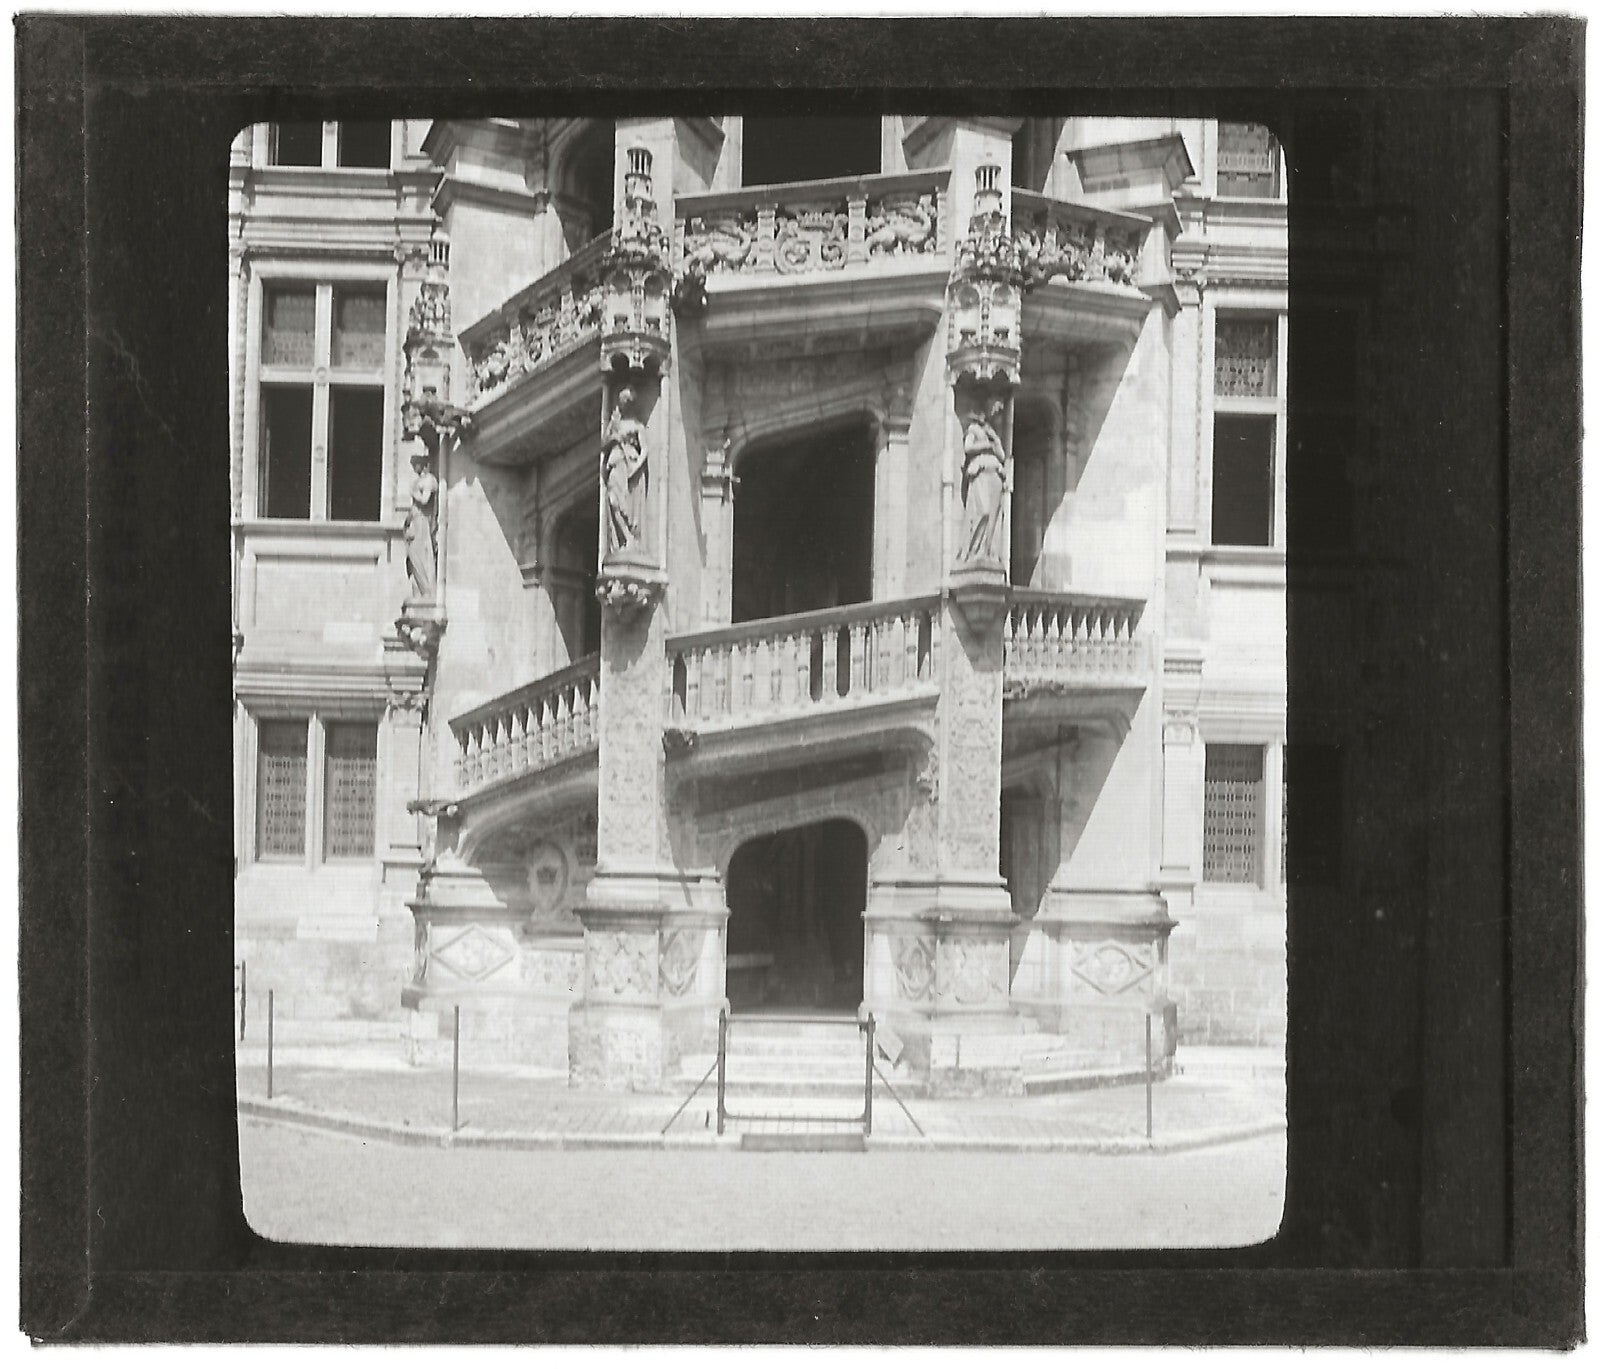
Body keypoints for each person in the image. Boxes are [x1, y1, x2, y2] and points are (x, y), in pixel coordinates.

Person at [602, 386, 649, 558]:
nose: (624, 404)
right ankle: (624, 537)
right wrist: (613, 437)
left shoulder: (637, 426)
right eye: (622, 401)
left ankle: (630, 539)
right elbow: (604, 443)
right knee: (613, 501)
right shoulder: (615, 423)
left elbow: (645, 449)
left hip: (629, 467)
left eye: (627, 401)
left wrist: (635, 468)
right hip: (616, 463)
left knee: (627, 507)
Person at [960, 397, 1008, 563]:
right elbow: (967, 447)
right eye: (995, 410)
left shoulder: (992, 432)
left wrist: (995, 441)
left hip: (994, 474)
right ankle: (973, 552)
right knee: (983, 512)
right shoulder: (974, 429)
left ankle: (987, 553)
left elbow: (1002, 455)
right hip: (980, 473)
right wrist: (985, 446)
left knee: (994, 518)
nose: (997, 414)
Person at [403, 442, 438, 599]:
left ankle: (426, 591)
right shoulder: (419, 480)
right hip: (415, 520)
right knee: (413, 555)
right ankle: (419, 590)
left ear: (422, 464)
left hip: (423, 521)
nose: (413, 467)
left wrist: (414, 493)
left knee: (420, 555)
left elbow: (425, 500)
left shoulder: (429, 480)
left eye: (415, 464)